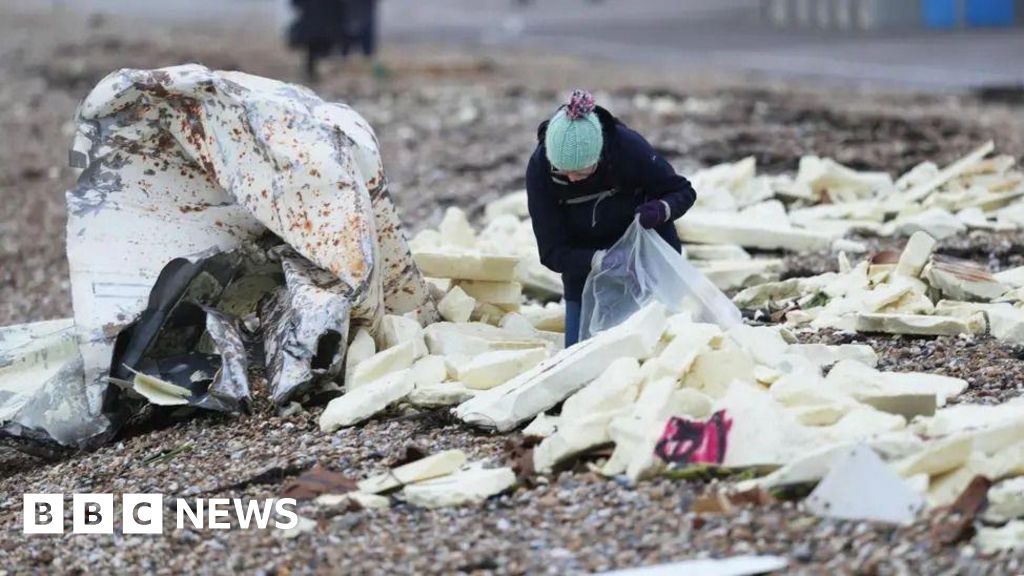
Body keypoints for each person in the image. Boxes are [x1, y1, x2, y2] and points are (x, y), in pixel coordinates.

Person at [525, 89, 697, 347]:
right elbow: (551, 252)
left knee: (652, 348)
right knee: (580, 355)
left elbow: (683, 191)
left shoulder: (628, 149)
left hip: (646, 267)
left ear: (599, 155)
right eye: (563, 171)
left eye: (581, 172)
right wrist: (600, 260)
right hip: (584, 272)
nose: (571, 179)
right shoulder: (540, 170)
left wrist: (661, 209)